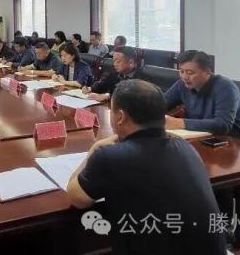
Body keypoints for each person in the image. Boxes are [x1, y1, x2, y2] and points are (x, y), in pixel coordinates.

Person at [67, 80, 227, 255]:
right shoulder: (185, 146)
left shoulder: (109, 156)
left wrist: (95, 148)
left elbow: (77, 198)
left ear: (120, 117)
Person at [163, 50, 240, 142]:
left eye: (190, 73)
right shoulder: (182, 84)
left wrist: (179, 123)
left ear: (207, 72)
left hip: (237, 141)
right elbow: (162, 103)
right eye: (181, 71)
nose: (184, 77)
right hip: (203, 136)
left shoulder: (225, 87)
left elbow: (223, 124)